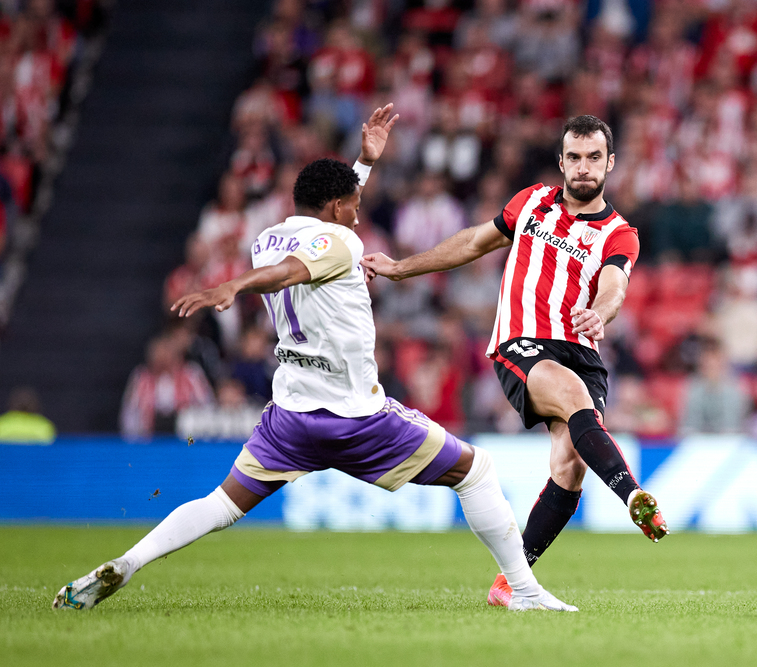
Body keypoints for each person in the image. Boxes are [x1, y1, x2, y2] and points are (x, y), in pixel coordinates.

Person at [53, 105, 574, 614]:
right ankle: (525, 592)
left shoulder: (266, 237)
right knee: (476, 470)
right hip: (356, 418)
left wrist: (363, 165)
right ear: (335, 210)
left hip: (291, 416)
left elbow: (309, 238)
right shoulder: (338, 243)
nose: (356, 212)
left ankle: (130, 560)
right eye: (351, 204)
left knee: (221, 504)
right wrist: (231, 286)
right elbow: (292, 269)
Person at [362, 114, 668, 608]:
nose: (583, 168)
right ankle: (633, 495)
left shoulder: (619, 233)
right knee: (569, 397)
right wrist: (402, 268)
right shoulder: (531, 202)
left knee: (569, 467)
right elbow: (475, 241)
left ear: (610, 163)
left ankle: (510, 585)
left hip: (582, 349)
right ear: (561, 161)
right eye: (574, 157)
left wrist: (600, 311)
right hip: (523, 342)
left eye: (594, 158)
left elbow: (615, 285)